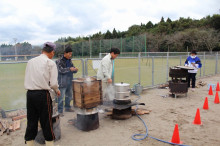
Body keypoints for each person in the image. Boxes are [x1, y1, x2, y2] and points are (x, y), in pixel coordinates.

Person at [24, 42, 61, 146]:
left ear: (42, 51)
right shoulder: (50, 63)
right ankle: (49, 143)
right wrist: (57, 90)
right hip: (42, 95)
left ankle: (29, 143)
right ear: (52, 52)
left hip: (30, 95)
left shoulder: (30, 62)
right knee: (46, 123)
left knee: (31, 122)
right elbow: (53, 83)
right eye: (53, 53)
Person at [56, 46, 78, 116]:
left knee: (69, 95)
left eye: (71, 54)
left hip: (69, 81)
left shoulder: (70, 60)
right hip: (62, 82)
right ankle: (60, 111)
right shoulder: (59, 61)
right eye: (69, 54)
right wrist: (69, 69)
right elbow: (60, 70)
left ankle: (67, 107)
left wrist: (75, 70)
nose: (70, 55)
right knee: (61, 97)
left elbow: (72, 69)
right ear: (65, 53)